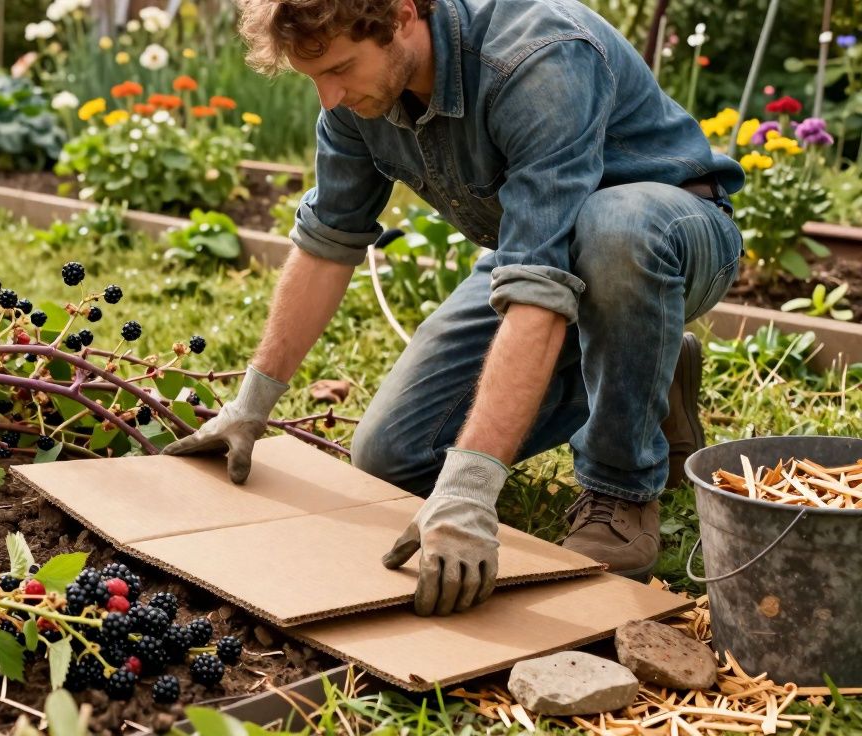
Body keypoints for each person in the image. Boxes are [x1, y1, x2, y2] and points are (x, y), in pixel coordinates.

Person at [163, 0, 745, 617]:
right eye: (314, 78)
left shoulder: (536, 58)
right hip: (532, 251)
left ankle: (620, 489)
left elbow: (538, 288)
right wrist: (248, 406)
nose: (329, 97)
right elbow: (328, 242)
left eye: (340, 69)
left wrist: (470, 490)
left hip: (666, 236)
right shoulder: (357, 102)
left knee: (613, 230)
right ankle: (651, 366)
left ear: (400, 16)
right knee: (390, 457)